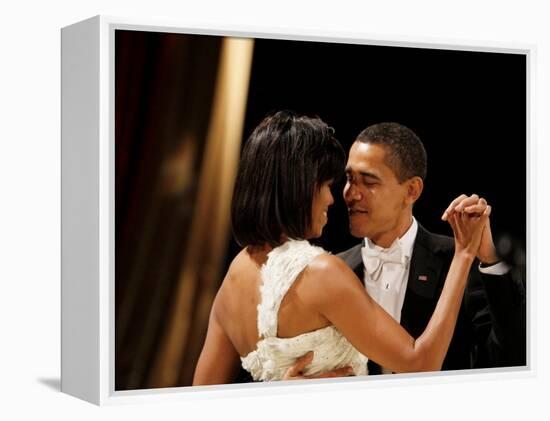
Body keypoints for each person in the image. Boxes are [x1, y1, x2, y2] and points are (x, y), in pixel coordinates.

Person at [192, 111, 491, 385]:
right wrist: (464, 254)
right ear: (299, 187)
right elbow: (421, 364)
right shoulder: (322, 271)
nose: (334, 199)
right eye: (327, 184)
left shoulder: (234, 275)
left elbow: (200, 402)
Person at [303, 122, 524, 376]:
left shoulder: (460, 259)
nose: (351, 194)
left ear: (411, 190)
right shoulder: (332, 271)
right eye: (350, 179)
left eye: (368, 181)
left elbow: (512, 355)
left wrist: (490, 259)